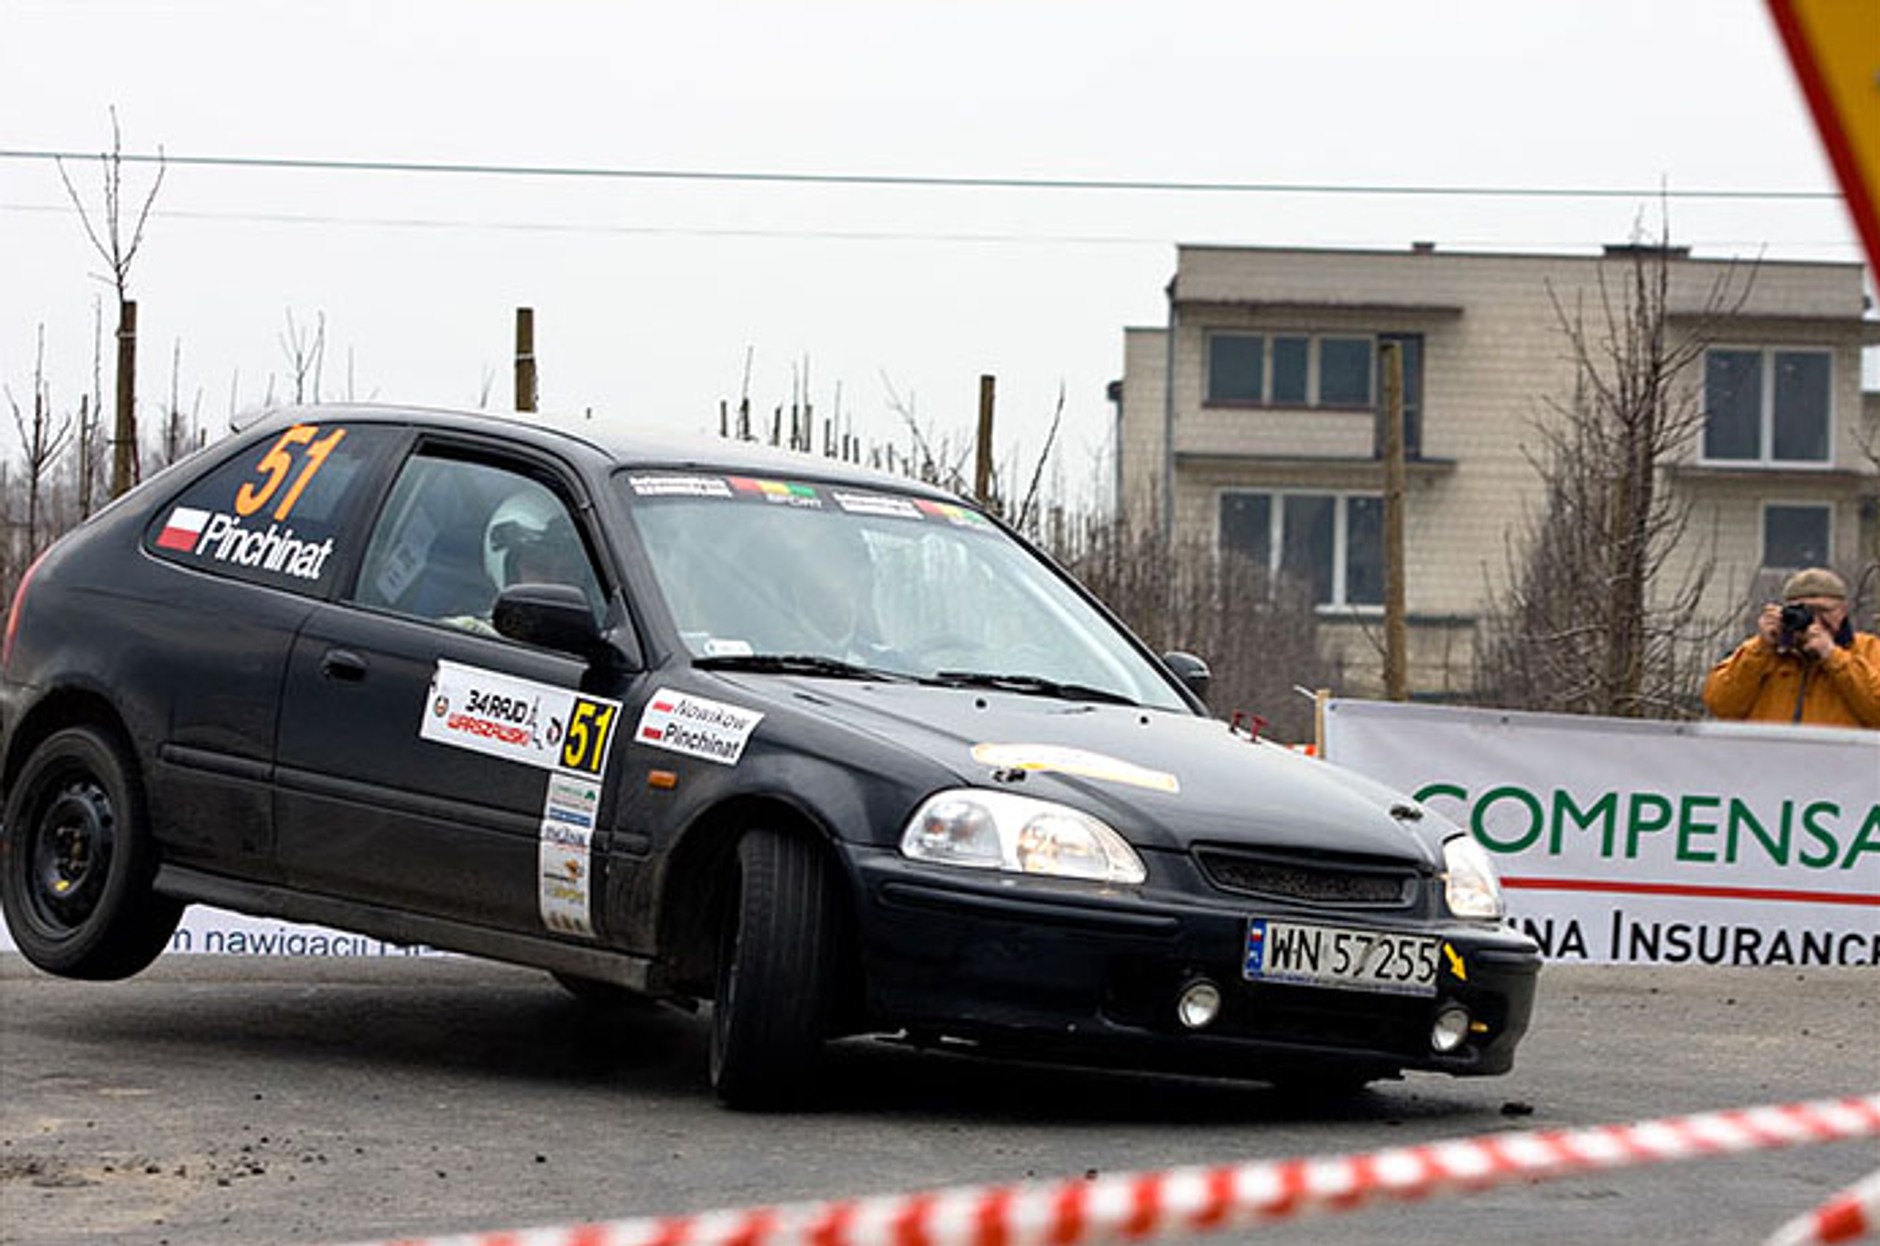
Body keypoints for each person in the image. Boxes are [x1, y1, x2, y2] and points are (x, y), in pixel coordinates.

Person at [1701, 567, 1880, 728]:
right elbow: (1721, 705)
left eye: (1824, 611)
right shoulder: (1761, 654)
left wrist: (1833, 656)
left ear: (1843, 611)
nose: (1814, 621)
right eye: (1805, 612)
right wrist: (1761, 649)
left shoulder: (1870, 651)